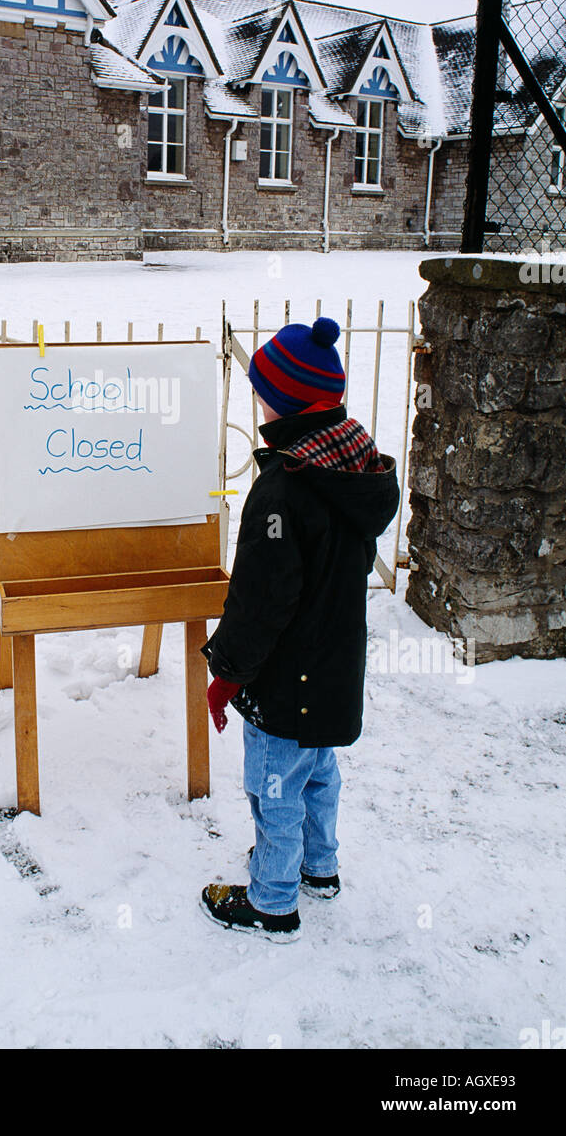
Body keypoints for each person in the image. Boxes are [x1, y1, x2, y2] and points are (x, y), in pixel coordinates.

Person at [200, 316, 400, 942]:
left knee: (275, 785)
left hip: (287, 676)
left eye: (263, 389)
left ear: (282, 401)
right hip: (335, 666)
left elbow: (260, 601)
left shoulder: (284, 488)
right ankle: (320, 866)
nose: (257, 398)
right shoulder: (355, 463)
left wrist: (226, 674)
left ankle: (273, 899)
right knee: (318, 771)